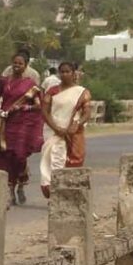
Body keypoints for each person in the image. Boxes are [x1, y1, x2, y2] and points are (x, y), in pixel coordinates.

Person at [0, 52, 44, 205]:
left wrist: (22, 107)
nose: (17, 66)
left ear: (26, 65)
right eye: (15, 63)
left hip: (23, 123)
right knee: (5, 154)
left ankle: (21, 181)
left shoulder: (30, 83)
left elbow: (38, 105)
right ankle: (10, 189)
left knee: (19, 155)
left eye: (20, 63)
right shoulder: (4, 81)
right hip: (7, 122)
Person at [39, 61, 92, 199]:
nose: (64, 74)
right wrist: (56, 128)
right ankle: (54, 194)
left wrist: (78, 123)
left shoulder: (82, 92)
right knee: (53, 161)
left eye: (67, 71)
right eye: (62, 72)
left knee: (74, 162)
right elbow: (44, 112)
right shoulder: (52, 91)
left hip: (74, 132)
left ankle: (71, 196)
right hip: (54, 132)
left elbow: (87, 113)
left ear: (74, 73)